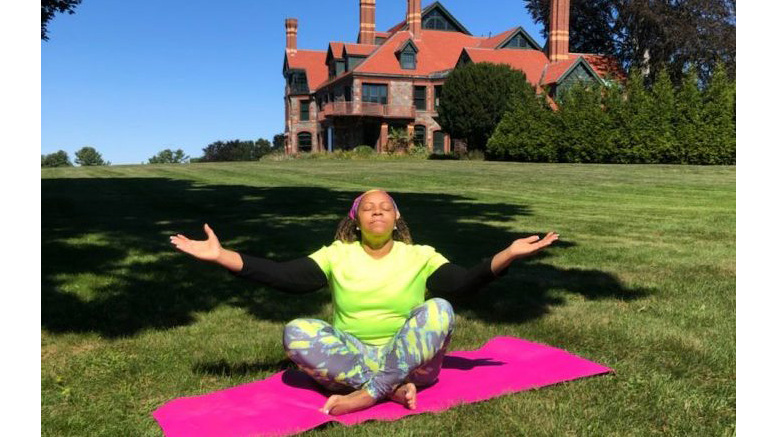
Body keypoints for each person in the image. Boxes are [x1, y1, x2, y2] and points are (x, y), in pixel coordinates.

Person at [170, 189, 558, 416]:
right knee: (296, 331)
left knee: (440, 309)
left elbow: (460, 285)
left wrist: (506, 255)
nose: (377, 210)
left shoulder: (419, 255)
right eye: (369, 206)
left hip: (411, 360)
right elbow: (287, 277)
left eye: (385, 206)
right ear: (356, 219)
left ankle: (369, 393)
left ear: (396, 217)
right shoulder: (338, 254)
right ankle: (389, 388)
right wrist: (223, 257)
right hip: (354, 358)